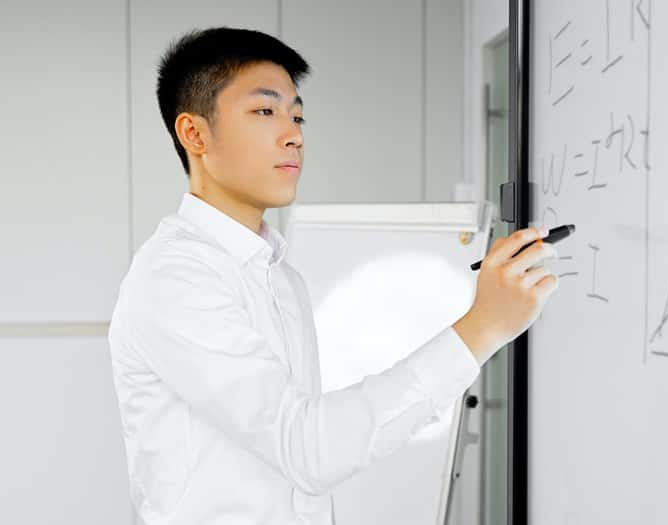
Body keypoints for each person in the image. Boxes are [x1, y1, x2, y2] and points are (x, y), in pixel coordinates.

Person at [107, 26, 559, 525]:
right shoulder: (176, 278)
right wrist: (483, 326)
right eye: (265, 111)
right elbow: (307, 451)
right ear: (194, 134)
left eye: (297, 115)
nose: (293, 134)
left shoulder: (279, 273)